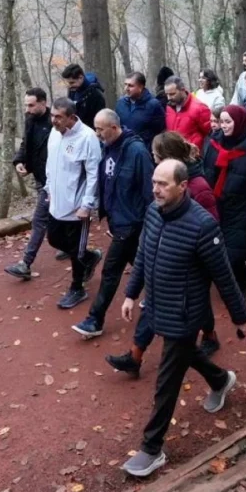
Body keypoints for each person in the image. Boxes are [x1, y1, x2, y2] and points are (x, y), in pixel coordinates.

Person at [119, 160, 246, 478]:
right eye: (154, 182)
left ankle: (152, 449)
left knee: (167, 380)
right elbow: (142, 255)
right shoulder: (153, 212)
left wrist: (240, 316)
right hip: (156, 304)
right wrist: (130, 293)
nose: (155, 189)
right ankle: (221, 380)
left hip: (185, 313)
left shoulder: (202, 225)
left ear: (182, 186)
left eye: (163, 184)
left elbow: (223, 275)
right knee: (185, 357)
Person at [104, 133, 219, 377]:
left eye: (155, 155)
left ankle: (210, 339)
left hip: (193, 264)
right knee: (153, 305)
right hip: (168, 260)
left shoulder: (197, 186)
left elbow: (211, 225)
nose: (152, 159)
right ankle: (136, 355)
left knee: (193, 305)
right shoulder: (160, 193)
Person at [69, 109, 154, 336]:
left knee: (110, 271)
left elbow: (149, 191)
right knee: (141, 263)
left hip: (131, 223)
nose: (97, 134)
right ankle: (170, 292)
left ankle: (94, 320)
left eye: (100, 129)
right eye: (95, 129)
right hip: (117, 221)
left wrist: (150, 225)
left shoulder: (137, 152)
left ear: (114, 128)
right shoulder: (108, 148)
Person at [202, 103, 246, 303]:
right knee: (214, 249)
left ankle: (241, 284)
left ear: (238, 122)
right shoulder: (214, 143)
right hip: (216, 206)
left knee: (235, 256)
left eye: (228, 122)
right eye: (221, 121)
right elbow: (207, 171)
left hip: (241, 208)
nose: (223, 126)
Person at [44, 97, 105, 307]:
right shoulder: (54, 133)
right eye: (52, 115)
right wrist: (49, 189)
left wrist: (87, 205)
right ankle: (91, 256)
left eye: (58, 117)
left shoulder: (87, 137)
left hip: (77, 207)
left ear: (71, 117)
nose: (53, 120)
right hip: (56, 201)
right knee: (53, 240)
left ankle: (77, 288)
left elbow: (93, 174)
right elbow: (50, 164)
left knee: (75, 251)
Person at [5, 88, 53, 280]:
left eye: (31, 105)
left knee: (39, 220)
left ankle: (25, 263)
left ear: (43, 103)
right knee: (57, 222)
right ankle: (81, 253)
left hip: (54, 180)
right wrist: (19, 161)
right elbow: (26, 143)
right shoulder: (30, 119)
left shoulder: (54, 121)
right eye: (26, 105)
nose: (28, 108)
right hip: (40, 178)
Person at [115, 72, 167, 148]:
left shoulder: (154, 105)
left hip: (145, 150)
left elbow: (160, 131)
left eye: (130, 86)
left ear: (141, 87)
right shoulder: (120, 104)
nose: (126, 88)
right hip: (124, 149)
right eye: (125, 84)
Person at [165, 75, 212, 148]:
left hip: (192, 156)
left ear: (182, 90)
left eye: (172, 94)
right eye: (167, 94)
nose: (168, 98)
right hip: (173, 154)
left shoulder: (200, 108)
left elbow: (210, 135)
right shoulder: (169, 108)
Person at [61, 63, 106, 128]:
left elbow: (100, 119)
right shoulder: (72, 90)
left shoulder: (96, 95)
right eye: (68, 83)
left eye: (72, 82)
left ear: (80, 77)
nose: (70, 85)